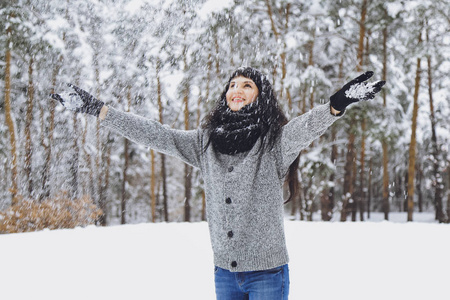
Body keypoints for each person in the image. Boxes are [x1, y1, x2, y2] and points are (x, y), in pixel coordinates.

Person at [51, 67, 385, 299]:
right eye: (232, 85)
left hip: (267, 274)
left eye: (247, 85)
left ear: (260, 97)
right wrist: (100, 110)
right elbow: (157, 134)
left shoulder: (273, 144)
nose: (236, 89)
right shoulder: (205, 143)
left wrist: (337, 104)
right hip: (224, 272)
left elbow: (306, 127)